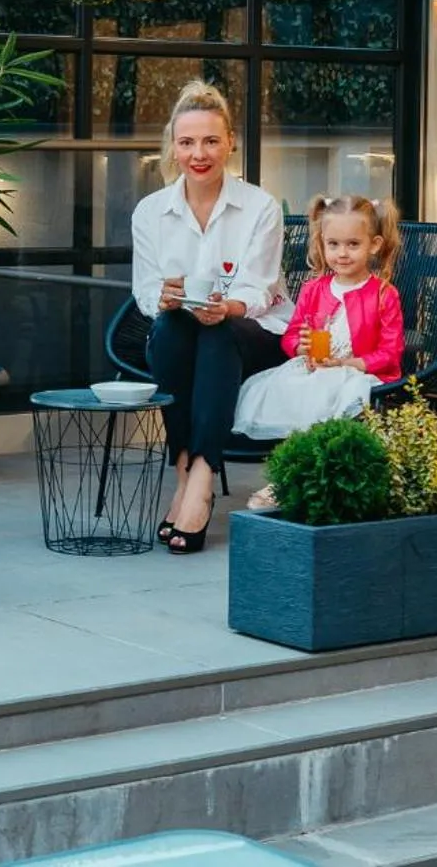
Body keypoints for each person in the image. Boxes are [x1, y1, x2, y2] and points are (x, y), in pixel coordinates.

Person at [131, 81, 288, 554]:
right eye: (187, 142)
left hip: (255, 331)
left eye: (210, 141)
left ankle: (198, 477)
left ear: (230, 143)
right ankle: (187, 468)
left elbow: (258, 289)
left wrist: (227, 308)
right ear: (173, 147)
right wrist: (163, 299)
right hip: (183, 331)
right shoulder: (151, 212)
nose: (199, 153)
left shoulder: (259, 206)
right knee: (172, 329)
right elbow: (143, 288)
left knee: (217, 334)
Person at [235, 195, 406, 509]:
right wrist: (297, 345)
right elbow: (290, 336)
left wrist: (348, 363)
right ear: (322, 244)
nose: (342, 254)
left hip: (359, 374)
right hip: (315, 368)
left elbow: (391, 353)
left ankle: (294, 480)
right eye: (334, 244)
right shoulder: (314, 289)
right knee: (287, 390)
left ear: (374, 244)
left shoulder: (383, 293)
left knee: (331, 395)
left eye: (353, 244)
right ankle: (293, 474)